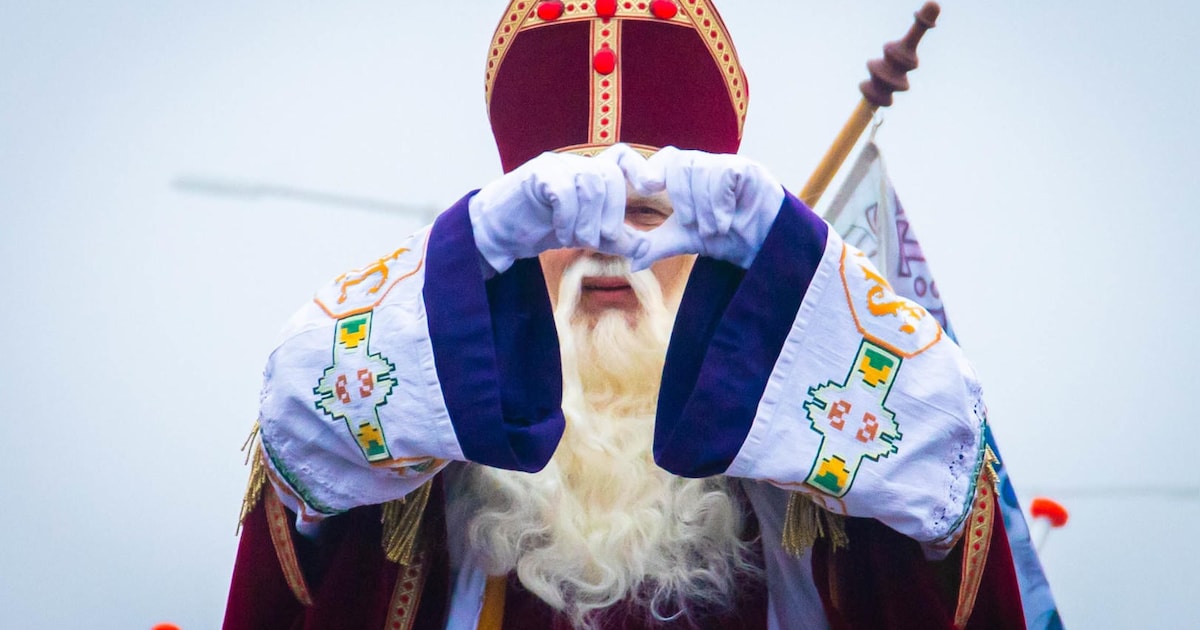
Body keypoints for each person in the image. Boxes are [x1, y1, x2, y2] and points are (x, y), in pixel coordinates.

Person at [224, 2, 1026, 628]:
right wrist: (456, 257)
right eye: (562, 216)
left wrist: (796, 264)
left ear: (713, 231)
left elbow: (944, 466)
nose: (606, 249)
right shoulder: (417, 439)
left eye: (648, 211)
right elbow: (301, 420)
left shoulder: (817, 451)